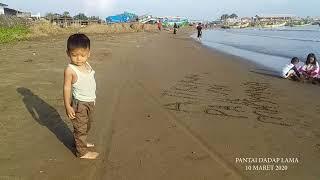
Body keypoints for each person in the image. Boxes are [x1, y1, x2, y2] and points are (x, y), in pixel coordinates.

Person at [63, 33, 99, 159]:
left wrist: (93, 100)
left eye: (82, 55)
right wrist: (68, 106)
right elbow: (67, 88)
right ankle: (82, 152)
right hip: (80, 104)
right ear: (68, 53)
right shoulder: (70, 70)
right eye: (74, 55)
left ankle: (80, 142)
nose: (79, 58)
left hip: (90, 101)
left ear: (88, 53)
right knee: (81, 127)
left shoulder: (87, 64)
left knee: (87, 125)